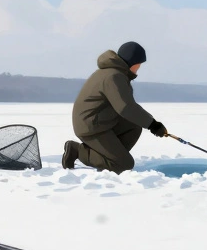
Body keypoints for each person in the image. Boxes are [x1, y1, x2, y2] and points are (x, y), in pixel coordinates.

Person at [63, 41, 167, 173]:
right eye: (139, 64)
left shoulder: (113, 73)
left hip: (100, 121)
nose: (139, 67)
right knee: (124, 164)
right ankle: (77, 151)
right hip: (91, 126)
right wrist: (153, 125)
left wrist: (150, 123)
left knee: (134, 126)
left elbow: (127, 106)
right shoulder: (114, 76)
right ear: (132, 62)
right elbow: (126, 107)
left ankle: (110, 158)